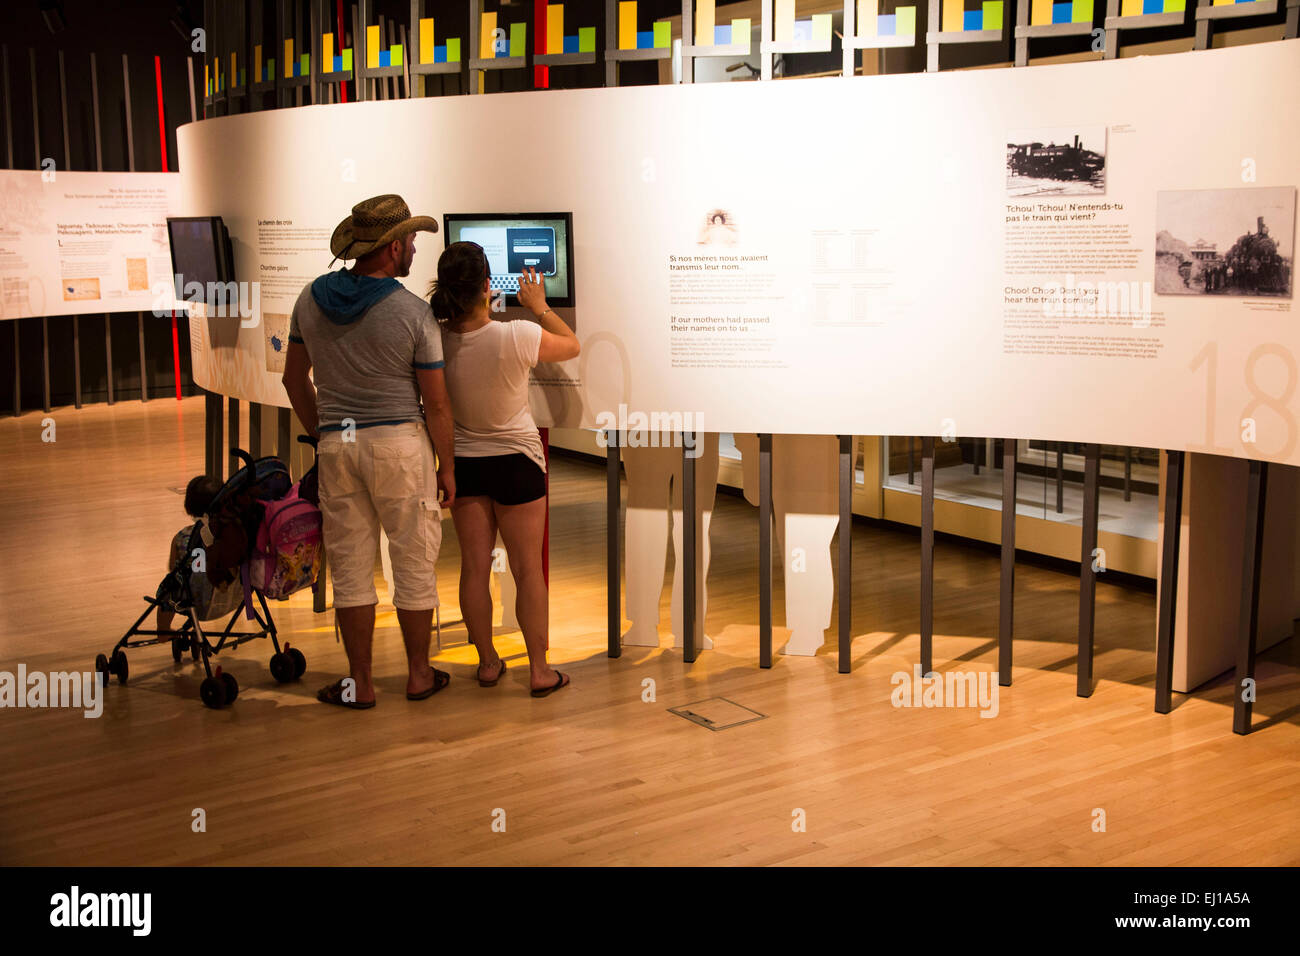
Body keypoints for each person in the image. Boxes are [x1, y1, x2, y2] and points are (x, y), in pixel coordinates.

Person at [282, 194, 456, 709]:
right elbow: (438, 404)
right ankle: (419, 674)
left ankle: (359, 683)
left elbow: (294, 379)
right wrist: (448, 467)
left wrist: (323, 433)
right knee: (414, 561)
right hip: (400, 444)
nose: (415, 251)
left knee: (352, 568)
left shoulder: (308, 300)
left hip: (340, 444)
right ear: (393, 246)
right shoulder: (413, 313)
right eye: (412, 242)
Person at [429, 241, 579, 697]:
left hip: (465, 465)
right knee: (527, 570)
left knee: (474, 568)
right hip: (518, 463)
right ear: (487, 288)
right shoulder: (516, 334)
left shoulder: (435, 339)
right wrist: (541, 307)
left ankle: (488, 662)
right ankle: (539, 670)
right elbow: (572, 346)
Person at [159, 474, 227, 634]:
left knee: (167, 588)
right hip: (228, 597)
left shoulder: (183, 537)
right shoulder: (232, 535)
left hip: (195, 601)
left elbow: (172, 568)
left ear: (188, 506)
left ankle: (163, 630)